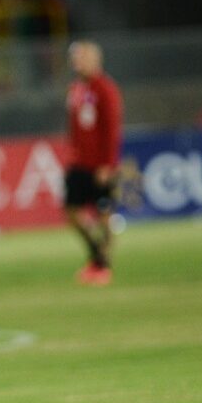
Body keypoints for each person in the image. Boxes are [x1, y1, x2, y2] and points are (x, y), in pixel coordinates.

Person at [64, 40, 123, 286]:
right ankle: (97, 255)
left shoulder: (105, 88)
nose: (76, 62)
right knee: (72, 212)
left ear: (95, 60)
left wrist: (108, 164)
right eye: (75, 58)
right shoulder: (76, 88)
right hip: (79, 163)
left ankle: (103, 265)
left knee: (104, 214)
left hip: (100, 165)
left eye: (81, 58)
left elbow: (112, 128)